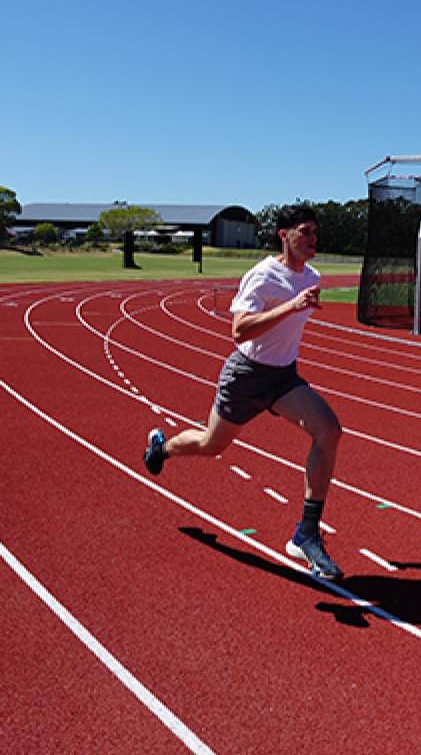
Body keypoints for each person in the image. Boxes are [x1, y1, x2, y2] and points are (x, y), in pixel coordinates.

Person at [144, 203, 344, 579]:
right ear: (284, 235)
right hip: (247, 375)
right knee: (211, 445)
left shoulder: (312, 275)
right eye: (305, 232)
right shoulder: (263, 275)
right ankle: (163, 448)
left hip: (283, 377)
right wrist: (290, 307)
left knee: (329, 430)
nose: (313, 239)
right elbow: (239, 330)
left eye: (316, 232)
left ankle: (306, 534)